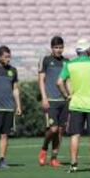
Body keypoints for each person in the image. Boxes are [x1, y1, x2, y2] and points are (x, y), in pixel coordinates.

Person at [57, 39, 90, 173]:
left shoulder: (69, 64)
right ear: (88, 50)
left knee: (75, 135)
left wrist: (67, 95)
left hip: (76, 104)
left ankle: (73, 165)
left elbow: (59, 82)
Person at [38, 36, 68, 167]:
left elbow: (68, 81)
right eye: (56, 47)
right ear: (52, 48)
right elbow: (41, 80)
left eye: (60, 47)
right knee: (53, 129)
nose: (58, 50)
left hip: (64, 100)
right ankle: (44, 147)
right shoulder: (45, 60)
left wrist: (69, 96)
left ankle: (54, 158)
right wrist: (44, 97)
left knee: (61, 130)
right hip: (50, 100)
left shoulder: (67, 62)